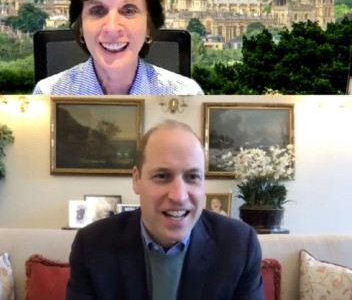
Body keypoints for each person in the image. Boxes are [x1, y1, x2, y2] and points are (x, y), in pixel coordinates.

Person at [67, 120, 262, 300]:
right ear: (136, 179)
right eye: (162, 176)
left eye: (192, 177)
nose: (179, 196)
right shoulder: (92, 245)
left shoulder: (239, 245)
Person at [33, 0, 204, 95]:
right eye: (98, 11)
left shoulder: (186, 95)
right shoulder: (48, 95)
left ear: (149, 27)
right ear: (80, 27)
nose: (112, 28)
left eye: (129, 10)